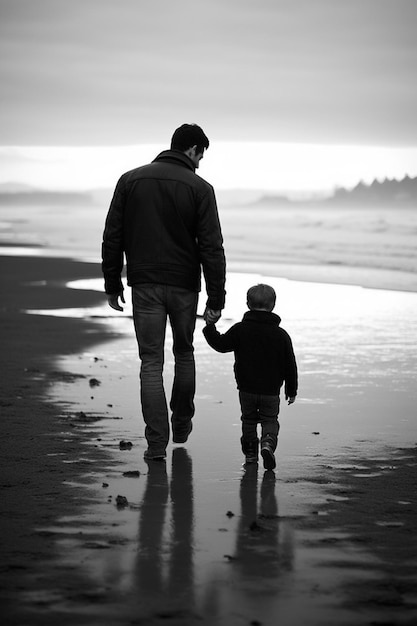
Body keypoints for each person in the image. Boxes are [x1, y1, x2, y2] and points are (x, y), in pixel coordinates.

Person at [102, 123, 226, 461]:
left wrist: (112, 283)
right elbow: (212, 247)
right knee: (184, 352)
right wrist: (217, 298)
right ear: (193, 149)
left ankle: (156, 444)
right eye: (201, 155)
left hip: (144, 284)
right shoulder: (201, 188)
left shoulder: (130, 180)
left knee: (150, 361)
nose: (200, 162)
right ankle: (182, 421)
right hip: (185, 286)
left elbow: (113, 235)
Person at [203, 284, 297, 470]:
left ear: (248, 304)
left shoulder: (240, 329)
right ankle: (268, 443)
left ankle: (251, 456)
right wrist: (291, 389)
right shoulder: (281, 335)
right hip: (271, 390)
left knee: (249, 421)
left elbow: (221, 345)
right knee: (270, 420)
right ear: (273, 305)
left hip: (246, 388)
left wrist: (209, 326)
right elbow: (290, 364)